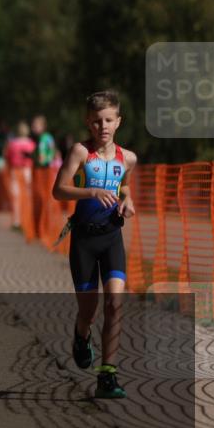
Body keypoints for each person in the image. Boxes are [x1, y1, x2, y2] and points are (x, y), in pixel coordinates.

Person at [52, 91, 136, 400]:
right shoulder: (79, 152)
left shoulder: (128, 158)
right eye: (97, 121)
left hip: (111, 236)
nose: (103, 126)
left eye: (109, 120)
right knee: (88, 309)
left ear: (118, 122)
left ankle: (107, 376)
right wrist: (89, 193)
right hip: (84, 239)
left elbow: (124, 184)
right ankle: (80, 334)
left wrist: (128, 200)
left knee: (115, 303)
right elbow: (58, 191)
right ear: (89, 123)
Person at [4, 121, 36, 231]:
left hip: (15, 170)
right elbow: (34, 157)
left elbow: (7, 157)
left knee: (16, 196)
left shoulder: (12, 143)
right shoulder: (31, 143)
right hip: (27, 171)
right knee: (27, 195)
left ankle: (16, 221)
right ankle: (26, 219)